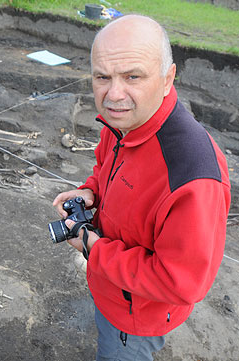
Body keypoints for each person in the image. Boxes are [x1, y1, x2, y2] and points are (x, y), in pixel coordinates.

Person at [53, 14, 231, 361]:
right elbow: (106, 164)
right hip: (111, 289)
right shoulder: (123, 121)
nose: (113, 94)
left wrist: (92, 246)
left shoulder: (193, 174)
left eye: (132, 76)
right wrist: (91, 192)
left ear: (168, 79)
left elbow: (182, 283)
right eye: (102, 77)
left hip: (135, 320)